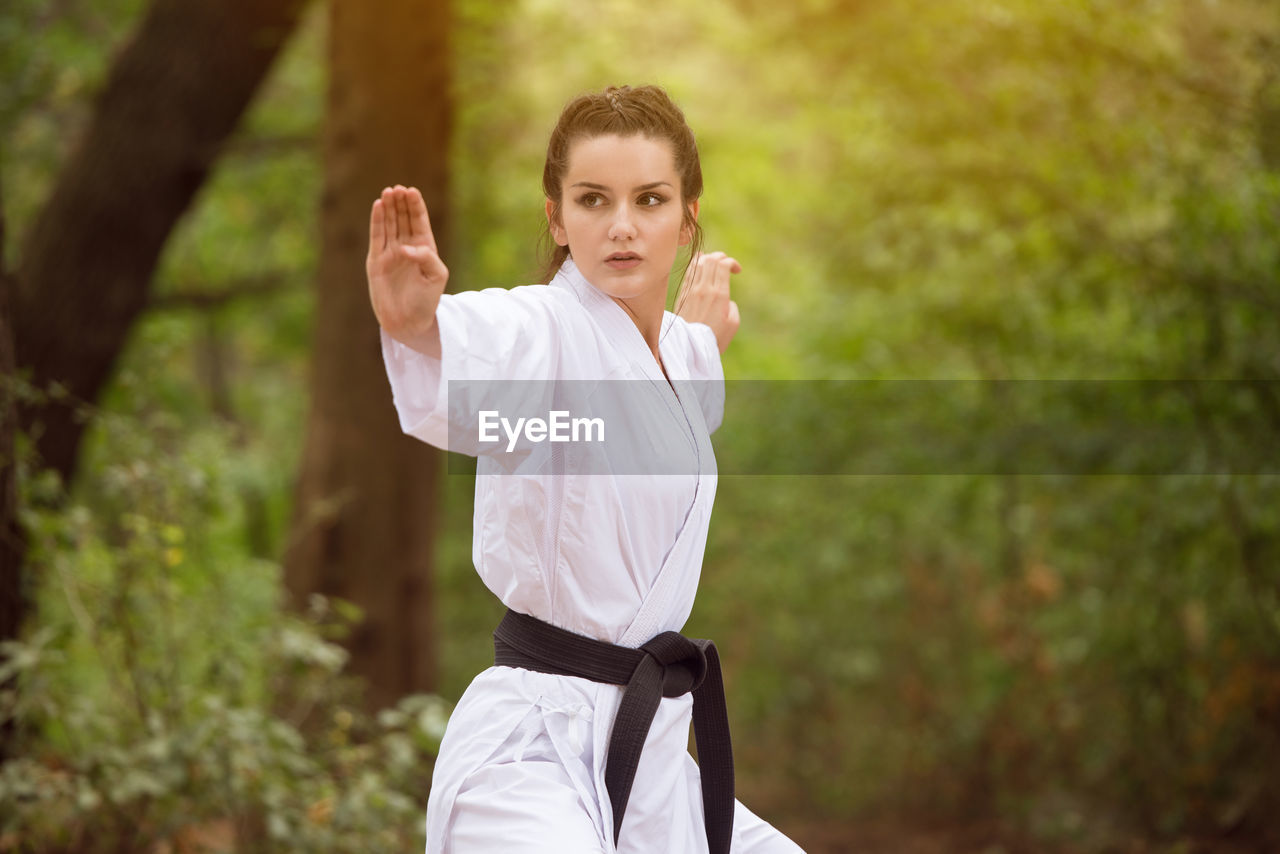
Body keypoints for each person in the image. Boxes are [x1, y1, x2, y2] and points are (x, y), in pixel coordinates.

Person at [369, 85, 803, 854]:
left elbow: (652, 409)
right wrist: (419, 325)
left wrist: (701, 345)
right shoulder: (542, 339)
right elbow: (487, 358)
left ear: (687, 217)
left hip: (654, 757)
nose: (623, 226)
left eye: (651, 199)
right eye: (594, 200)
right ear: (557, 218)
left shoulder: (673, 353)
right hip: (533, 758)